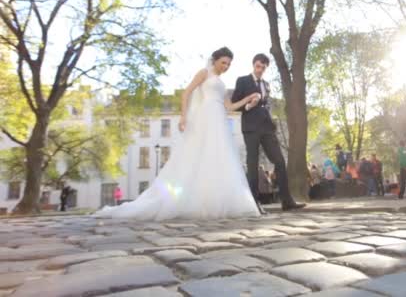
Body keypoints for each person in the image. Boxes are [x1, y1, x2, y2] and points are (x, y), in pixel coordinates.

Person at [95, 47, 261, 220]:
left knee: (217, 157)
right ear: (215, 60)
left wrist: (248, 98)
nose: (226, 67)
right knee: (197, 155)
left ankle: (213, 200)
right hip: (205, 117)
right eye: (223, 62)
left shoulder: (221, 84)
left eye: (229, 64)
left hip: (219, 119)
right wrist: (183, 117)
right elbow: (186, 92)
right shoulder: (204, 73)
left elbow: (230, 107)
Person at [231, 53, 305, 212]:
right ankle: (253, 204)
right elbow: (234, 105)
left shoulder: (266, 84)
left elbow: (266, 106)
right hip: (250, 128)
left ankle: (287, 201)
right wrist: (249, 104)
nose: (260, 70)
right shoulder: (242, 80)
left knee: (279, 161)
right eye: (258, 66)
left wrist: (272, 123)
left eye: (263, 68)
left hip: (267, 128)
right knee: (253, 165)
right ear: (253, 64)